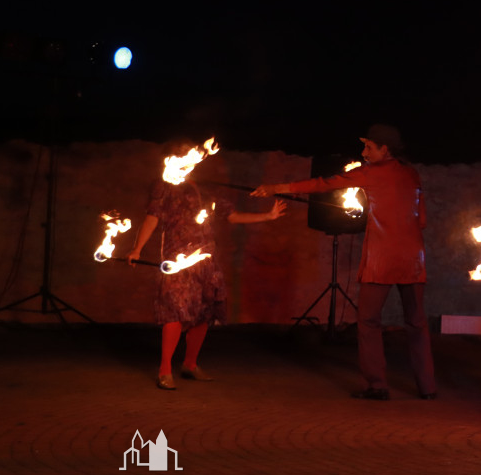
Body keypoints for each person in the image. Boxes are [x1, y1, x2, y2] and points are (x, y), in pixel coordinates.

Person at [252, 124, 436, 401]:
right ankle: (428, 387)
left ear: (384, 149)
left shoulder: (370, 173)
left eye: (369, 147)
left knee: (368, 321)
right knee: (417, 322)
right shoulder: (412, 174)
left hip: (382, 260)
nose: (363, 153)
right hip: (413, 259)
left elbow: (323, 184)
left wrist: (277, 188)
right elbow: (421, 220)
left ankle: (377, 385)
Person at [127, 141, 286, 391]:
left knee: (204, 312)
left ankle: (190, 364)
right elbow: (152, 217)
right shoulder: (165, 185)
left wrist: (268, 216)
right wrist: (137, 248)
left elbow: (231, 216)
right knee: (174, 311)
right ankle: (165, 370)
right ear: (174, 159)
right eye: (182, 154)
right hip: (176, 259)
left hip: (206, 259)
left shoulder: (206, 189)